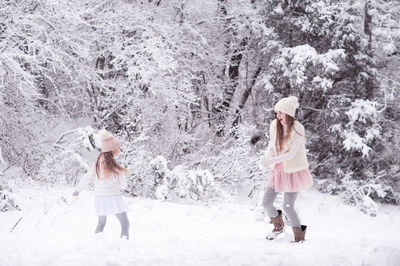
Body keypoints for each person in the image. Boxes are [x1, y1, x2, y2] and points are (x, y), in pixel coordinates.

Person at [259, 96, 313, 242]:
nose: (278, 116)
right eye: (277, 113)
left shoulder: (298, 129)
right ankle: (278, 226)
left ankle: (299, 237)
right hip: (277, 170)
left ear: (288, 113)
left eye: (281, 113)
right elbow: (272, 144)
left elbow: (291, 154)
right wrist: (267, 157)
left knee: (288, 206)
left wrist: (272, 160)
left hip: (293, 171)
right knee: (266, 202)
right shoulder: (274, 125)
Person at [73, 129, 131, 239]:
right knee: (125, 224)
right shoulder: (114, 165)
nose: (119, 149)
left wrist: (78, 189)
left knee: (101, 224)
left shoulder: (98, 162)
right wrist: (123, 188)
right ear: (112, 149)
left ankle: (97, 244)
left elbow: (88, 177)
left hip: (100, 197)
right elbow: (123, 181)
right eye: (118, 147)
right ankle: (124, 244)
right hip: (113, 197)